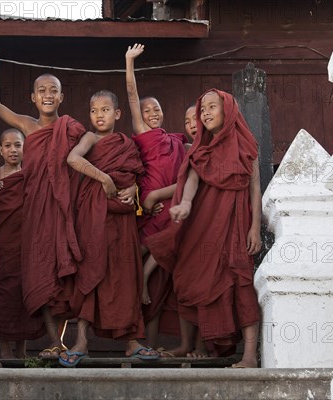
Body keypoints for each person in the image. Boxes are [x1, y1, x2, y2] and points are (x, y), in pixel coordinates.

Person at [147, 89, 262, 368]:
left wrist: (255, 228)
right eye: (203, 109)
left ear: (228, 110)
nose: (206, 113)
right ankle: (187, 343)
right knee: (187, 275)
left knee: (240, 283)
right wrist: (185, 204)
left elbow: (255, 187)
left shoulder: (246, 145)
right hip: (203, 224)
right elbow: (192, 180)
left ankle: (248, 355)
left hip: (235, 224)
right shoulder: (201, 147)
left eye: (213, 107)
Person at [0, 45, 87, 360]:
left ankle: (65, 340)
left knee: (64, 273)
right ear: (34, 97)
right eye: (41, 90)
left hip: (65, 210)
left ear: (61, 97)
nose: (47, 94)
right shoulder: (28, 126)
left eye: (53, 90)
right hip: (37, 211)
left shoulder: (72, 129)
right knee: (41, 273)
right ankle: (54, 341)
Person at [58, 90, 159, 367]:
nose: (99, 115)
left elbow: (134, 176)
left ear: (117, 114)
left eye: (105, 110)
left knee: (126, 275)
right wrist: (103, 178)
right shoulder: (90, 138)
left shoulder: (126, 143)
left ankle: (132, 341)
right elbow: (73, 160)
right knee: (91, 273)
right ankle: (81, 341)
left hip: (122, 221)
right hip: (93, 218)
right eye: (94, 110)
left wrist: (133, 190)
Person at [125, 43, 190, 356]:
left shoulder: (178, 141)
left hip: (169, 204)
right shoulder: (144, 134)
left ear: (164, 113)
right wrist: (129, 63)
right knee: (135, 253)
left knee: (160, 279)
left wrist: (162, 195)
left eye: (156, 110)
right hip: (148, 209)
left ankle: (144, 281)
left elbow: (189, 176)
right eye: (147, 110)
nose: (151, 114)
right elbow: (132, 97)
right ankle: (134, 333)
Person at [0, 128, 45, 359]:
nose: (13, 150)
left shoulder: (30, 175)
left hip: (28, 243)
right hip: (5, 244)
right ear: (1, 150)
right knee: (5, 293)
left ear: (25, 149)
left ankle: (22, 350)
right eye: (8, 146)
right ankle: (4, 350)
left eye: (18, 145)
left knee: (24, 292)